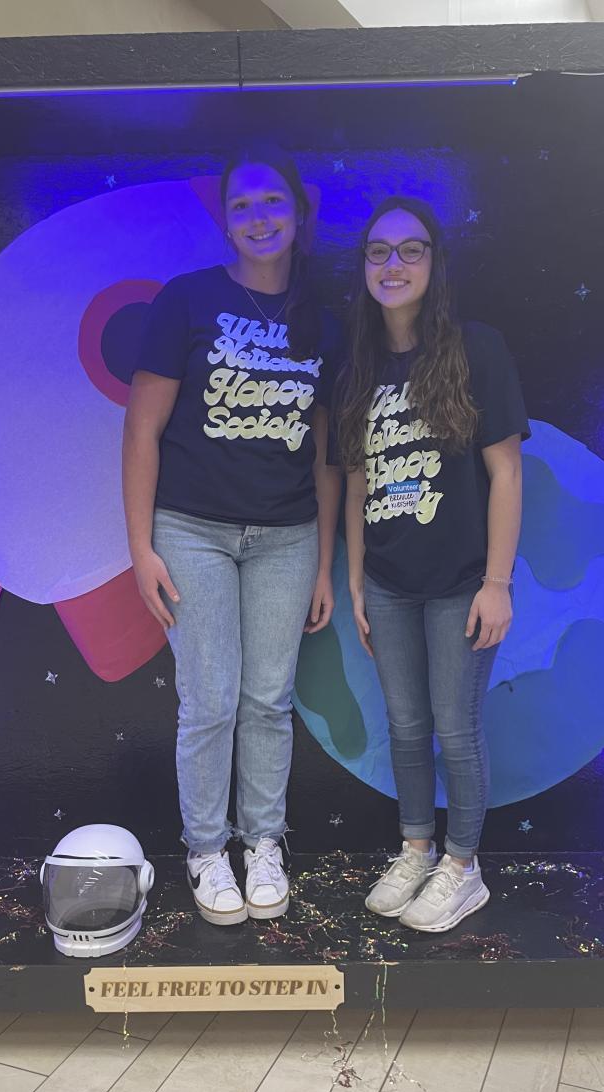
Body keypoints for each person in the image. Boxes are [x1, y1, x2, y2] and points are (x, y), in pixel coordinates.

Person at [122, 146, 340, 926]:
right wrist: (141, 547)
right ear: (225, 220)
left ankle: (264, 844)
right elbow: (142, 431)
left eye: (272, 201)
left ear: (299, 213)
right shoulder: (187, 300)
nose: (258, 217)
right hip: (192, 532)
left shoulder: (323, 317)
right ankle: (207, 850)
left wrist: (324, 560)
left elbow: (325, 452)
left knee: (268, 700)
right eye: (242, 205)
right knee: (210, 701)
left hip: (288, 537)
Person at [336, 195, 528, 933]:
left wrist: (497, 584)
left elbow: (506, 473)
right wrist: (356, 580)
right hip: (389, 584)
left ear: (434, 262)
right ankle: (416, 849)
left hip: (461, 584)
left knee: (456, 727)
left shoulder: (477, 349)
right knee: (406, 725)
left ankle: (463, 867)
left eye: (410, 249)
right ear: (364, 266)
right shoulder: (359, 362)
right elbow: (357, 479)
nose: (394, 264)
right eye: (379, 251)